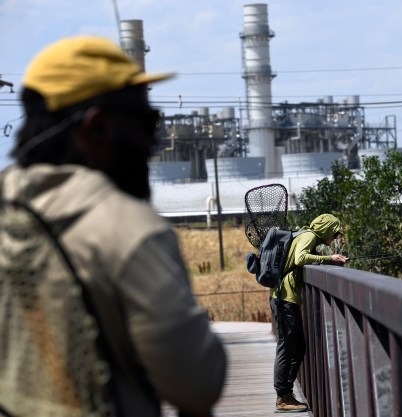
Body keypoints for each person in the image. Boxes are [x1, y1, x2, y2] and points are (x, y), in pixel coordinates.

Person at [0, 36, 226, 417]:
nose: (153, 141)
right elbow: (198, 383)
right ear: (98, 127)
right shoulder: (128, 228)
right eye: (147, 122)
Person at [271, 213, 348, 413]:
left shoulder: (305, 236)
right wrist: (329, 259)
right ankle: (282, 397)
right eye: (335, 234)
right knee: (287, 346)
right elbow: (300, 258)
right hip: (284, 299)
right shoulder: (309, 236)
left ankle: (286, 393)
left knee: (298, 347)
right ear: (327, 230)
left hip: (287, 298)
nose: (335, 238)